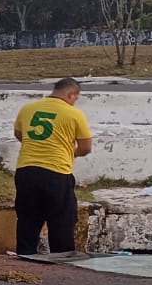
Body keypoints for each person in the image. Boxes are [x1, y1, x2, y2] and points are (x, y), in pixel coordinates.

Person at [12, 77, 92, 255]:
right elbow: (86, 148)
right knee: (62, 221)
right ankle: (61, 262)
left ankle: (25, 259)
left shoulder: (27, 109)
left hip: (26, 171)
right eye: (75, 98)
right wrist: (71, 153)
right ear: (71, 94)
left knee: (27, 220)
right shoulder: (73, 114)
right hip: (56, 173)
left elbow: (19, 134)